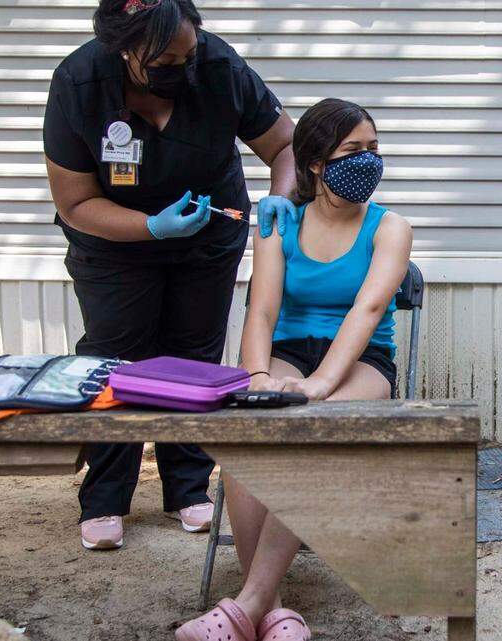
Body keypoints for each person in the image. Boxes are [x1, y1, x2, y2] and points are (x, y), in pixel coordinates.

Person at [43, 0, 300, 550]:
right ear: (125, 51)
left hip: (208, 234)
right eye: (165, 61)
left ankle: (187, 488)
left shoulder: (220, 68)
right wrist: (152, 228)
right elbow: (75, 202)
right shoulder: (78, 84)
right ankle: (105, 496)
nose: (184, 68)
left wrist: (280, 196)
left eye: (190, 54)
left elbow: (285, 145)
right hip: (111, 243)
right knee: (116, 357)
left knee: (193, 355)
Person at [175, 98, 411, 641]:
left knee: (313, 429)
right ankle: (273, 609)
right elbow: (261, 311)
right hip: (288, 350)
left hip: (361, 359)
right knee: (246, 430)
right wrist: (258, 378)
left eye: (374, 148)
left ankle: (247, 605)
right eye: (353, 150)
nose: (369, 160)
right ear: (315, 163)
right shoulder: (280, 225)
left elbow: (369, 309)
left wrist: (320, 385)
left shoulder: (390, 228)